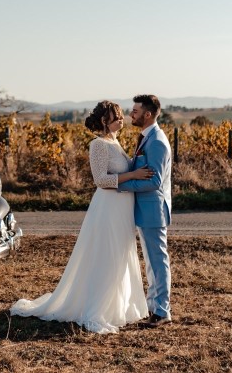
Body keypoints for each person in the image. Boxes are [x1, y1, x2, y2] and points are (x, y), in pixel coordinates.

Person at [10, 100, 152, 333]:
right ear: (105, 120)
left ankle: (120, 305)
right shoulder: (98, 145)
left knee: (121, 253)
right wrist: (133, 174)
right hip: (108, 207)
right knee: (108, 253)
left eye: (120, 115)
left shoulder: (114, 142)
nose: (121, 119)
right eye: (116, 116)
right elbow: (101, 180)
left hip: (122, 208)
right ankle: (100, 307)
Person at [118, 94, 173, 328]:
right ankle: (153, 307)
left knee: (157, 260)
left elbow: (154, 182)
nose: (131, 114)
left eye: (135, 111)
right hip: (144, 209)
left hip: (153, 210)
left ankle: (162, 311)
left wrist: (121, 185)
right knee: (151, 262)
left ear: (147, 114)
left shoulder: (157, 141)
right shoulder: (146, 138)